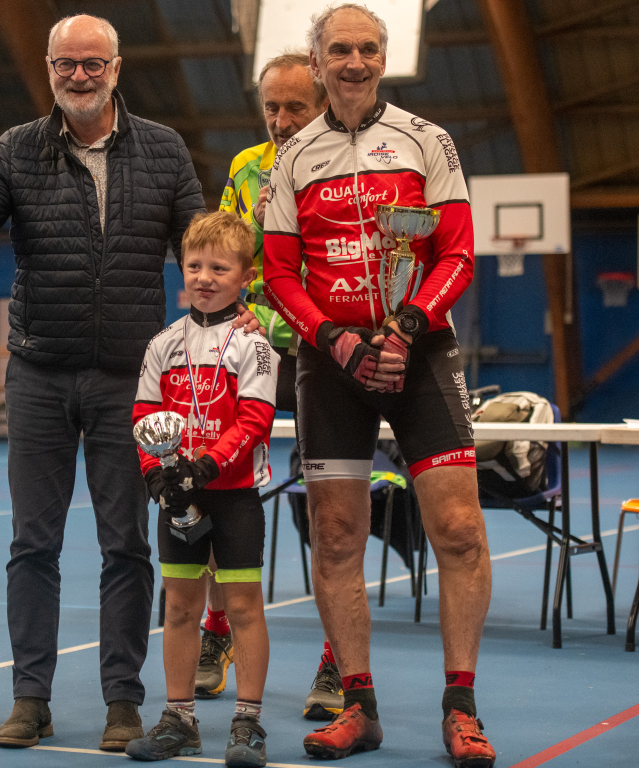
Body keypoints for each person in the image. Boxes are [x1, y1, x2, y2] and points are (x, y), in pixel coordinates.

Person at [0, 14, 259, 751]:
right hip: (39, 373)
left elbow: (200, 244)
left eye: (92, 64)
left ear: (116, 68)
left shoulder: (163, 148)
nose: (78, 76)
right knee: (33, 544)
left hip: (132, 382)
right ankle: (31, 700)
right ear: (51, 68)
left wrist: (235, 305)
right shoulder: (17, 147)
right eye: (65, 64)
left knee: (127, 546)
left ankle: (123, 702)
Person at [262, 4, 495, 767]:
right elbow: (278, 273)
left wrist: (406, 327)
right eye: (340, 50)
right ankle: (357, 706)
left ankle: (461, 708)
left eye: (367, 48)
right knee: (335, 536)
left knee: (458, 529)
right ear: (317, 62)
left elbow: (458, 253)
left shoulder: (428, 141)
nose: (354, 61)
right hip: (331, 364)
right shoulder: (293, 159)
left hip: (418, 354)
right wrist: (334, 339)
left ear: (383, 59)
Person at [205, 52, 340, 722]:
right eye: (272, 108)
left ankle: (339, 659)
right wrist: (259, 228)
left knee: (331, 514)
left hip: (326, 350)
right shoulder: (245, 167)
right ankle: (216, 631)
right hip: (255, 351)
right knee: (215, 491)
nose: (282, 121)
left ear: (324, 106)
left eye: (296, 108)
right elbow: (226, 259)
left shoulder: (349, 168)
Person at [128, 211, 278, 767]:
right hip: (178, 496)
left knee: (242, 607)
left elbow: (255, 419)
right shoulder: (163, 342)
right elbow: (144, 416)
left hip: (232, 493)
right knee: (180, 607)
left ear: (245, 276)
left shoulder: (255, 344)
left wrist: (208, 468)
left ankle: (248, 723)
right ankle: (179, 719)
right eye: (195, 266)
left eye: (219, 268)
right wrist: (155, 472)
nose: (205, 277)